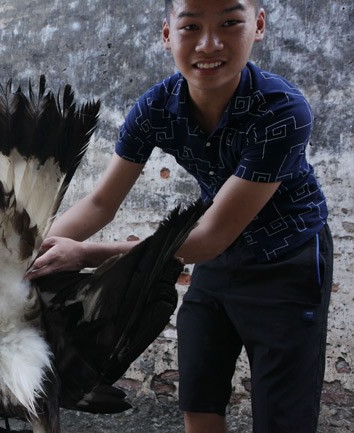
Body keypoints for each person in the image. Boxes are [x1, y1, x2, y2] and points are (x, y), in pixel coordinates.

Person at [26, 1, 333, 432]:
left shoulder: (283, 111)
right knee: (199, 401)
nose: (209, 44)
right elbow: (100, 204)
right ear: (168, 34)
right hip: (216, 260)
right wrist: (24, 254)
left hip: (287, 259)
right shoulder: (155, 108)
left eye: (230, 22)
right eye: (191, 26)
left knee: (283, 418)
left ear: (258, 26)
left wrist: (85, 254)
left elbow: (210, 236)